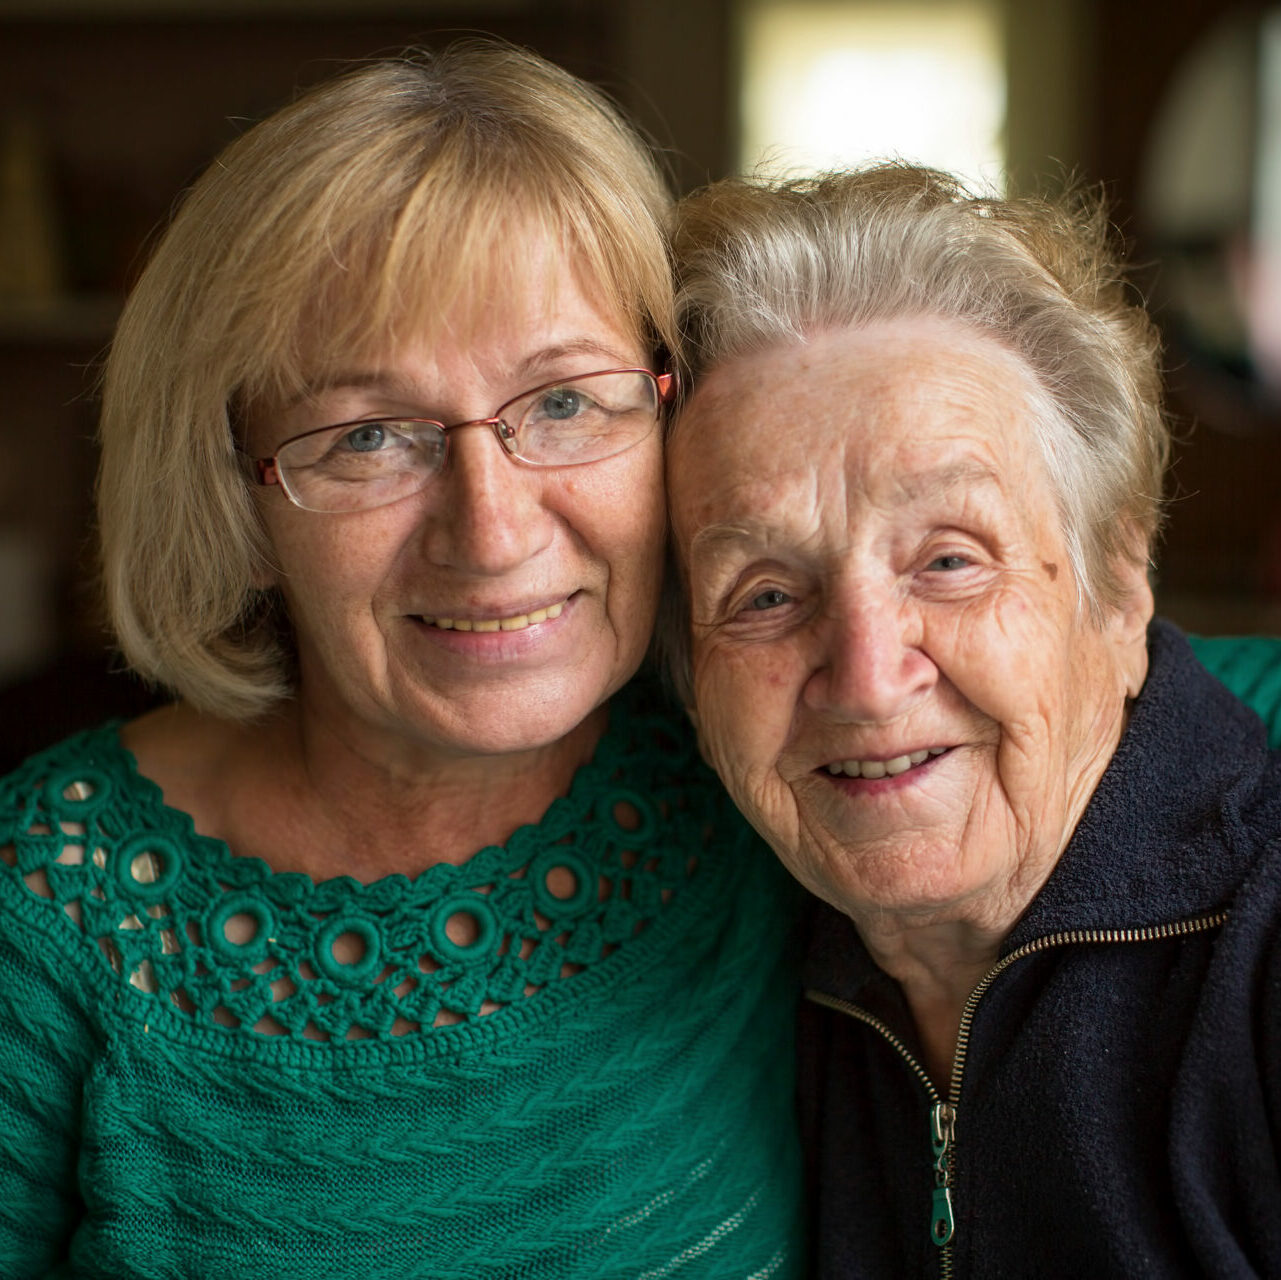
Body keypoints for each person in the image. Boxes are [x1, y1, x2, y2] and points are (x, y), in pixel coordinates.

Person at [0, 44, 805, 1277]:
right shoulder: (49, 906)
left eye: (563, 402)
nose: (490, 530)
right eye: (368, 435)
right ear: (239, 503)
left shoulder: (760, 767)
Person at [664, 163, 1281, 1276]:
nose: (863, 675)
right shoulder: (722, 958)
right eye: (763, 593)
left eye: (950, 559)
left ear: (1120, 579)